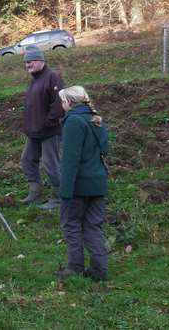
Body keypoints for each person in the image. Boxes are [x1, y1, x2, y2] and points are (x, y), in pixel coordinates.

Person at [55, 86, 109, 281]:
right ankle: (99, 269)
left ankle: (75, 267)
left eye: (62, 101)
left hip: (79, 185)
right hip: (98, 183)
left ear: (70, 102)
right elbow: (105, 150)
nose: (61, 105)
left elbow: (70, 160)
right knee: (93, 227)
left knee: (71, 224)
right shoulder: (97, 121)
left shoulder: (73, 122)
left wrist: (65, 191)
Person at [19, 45, 65, 209]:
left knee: (50, 164)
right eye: (26, 62)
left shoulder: (53, 77)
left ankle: (58, 197)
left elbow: (59, 105)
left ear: (40, 60)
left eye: (30, 61)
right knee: (27, 160)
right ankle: (35, 191)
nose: (27, 65)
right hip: (33, 131)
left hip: (49, 131)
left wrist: (48, 123)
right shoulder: (34, 80)